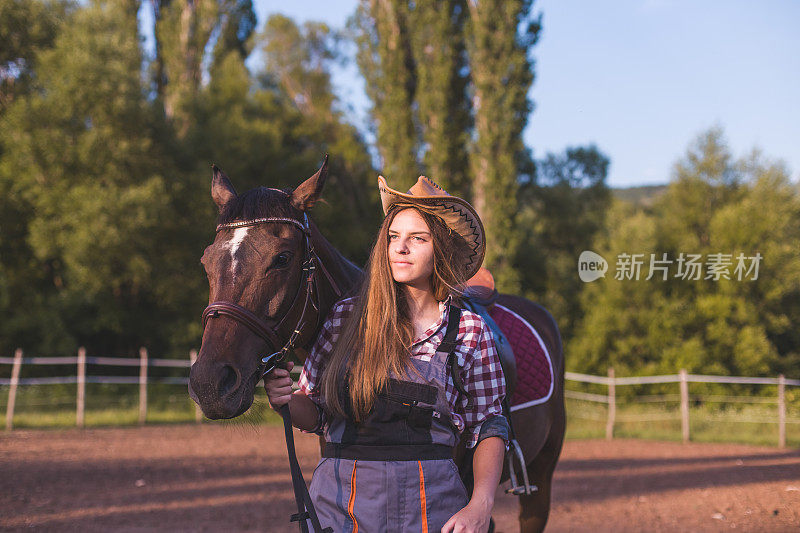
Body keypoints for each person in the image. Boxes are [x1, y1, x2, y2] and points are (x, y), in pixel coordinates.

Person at [264, 175, 510, 533]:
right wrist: (284, 400)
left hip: (433, 512)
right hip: (340, 511)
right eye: (394, 237)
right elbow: (315, 413)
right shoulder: (345, 319)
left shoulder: (470, 331)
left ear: (440, 249)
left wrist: (480, 504)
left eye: (417, 239)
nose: (400, 248)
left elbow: (488, 424)